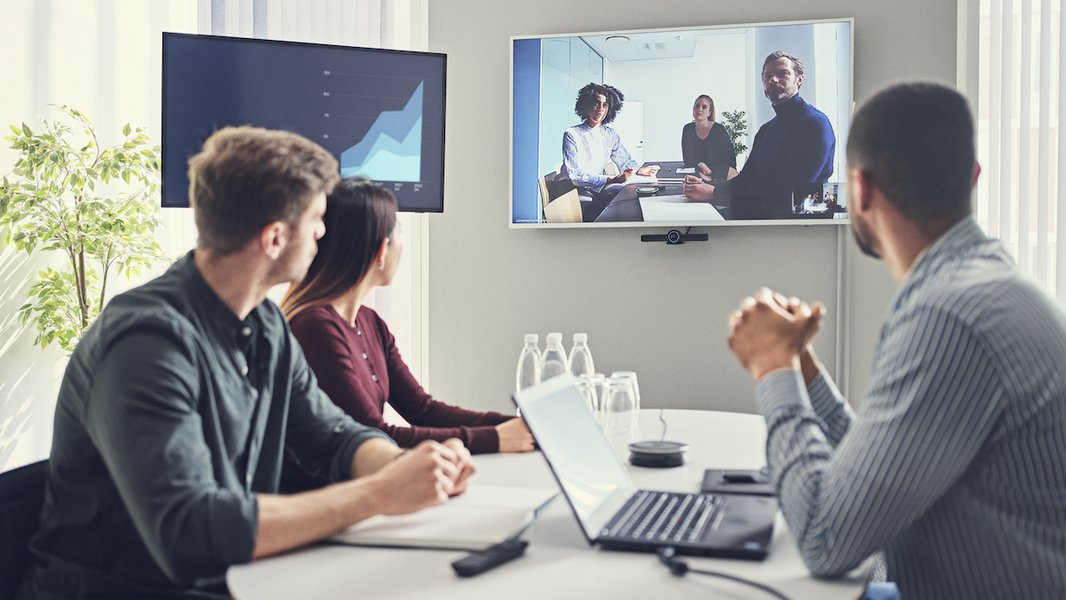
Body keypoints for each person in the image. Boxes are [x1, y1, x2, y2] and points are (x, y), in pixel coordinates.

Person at [18, 127, 475, 600]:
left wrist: (407, 466)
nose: (323, 231)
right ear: (275, 238)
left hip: (232, 579)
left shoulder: (265, 326)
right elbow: (190, 532)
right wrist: (378, 495)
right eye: (318, 217)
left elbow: (330, 435)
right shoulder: (146, 345)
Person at [726, 82, 1066, 599]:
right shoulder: (978, 283)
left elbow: (824, 537)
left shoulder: (949, 318)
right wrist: (803, 368)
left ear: (860, 190)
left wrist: (773, 369)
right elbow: (885, 465)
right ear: (972, 179)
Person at [281, 178, 535, 455]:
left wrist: (525, 427)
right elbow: (374, 436)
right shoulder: (316, 327)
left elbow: (424, 410)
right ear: (381, 250)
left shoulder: (370, 322)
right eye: (399, 231)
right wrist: (495, 439)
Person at [684, 52, 835, 219]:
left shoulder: (814, 124)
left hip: (799, 230)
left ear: (799, 80)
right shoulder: (766, 130)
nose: (773, 79)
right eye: (767, 76)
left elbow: (789, 195)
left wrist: (715, 194)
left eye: (782, 73)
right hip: (761, 217)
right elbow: (745, 181)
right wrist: (707, 186)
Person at [561, 82, 658, 204]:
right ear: (585, 105)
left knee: (626, 195)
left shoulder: (610, 134)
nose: (601, 109)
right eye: (596, 103)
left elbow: (625, 161)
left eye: (605, 105)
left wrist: (640, 170)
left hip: (593, 187)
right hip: (571, 190)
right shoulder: (572, 134)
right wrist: (611, 180)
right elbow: (575, 176)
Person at [680, 94, 736, 180]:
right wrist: (700, 164)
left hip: (718, 177)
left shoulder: (719, 130)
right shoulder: (688, 129)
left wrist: (712, 175)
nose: (700, 109)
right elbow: (687, 158)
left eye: (704, 107)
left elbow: (730, 160)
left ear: (709, 112)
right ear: (693, 109)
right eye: (697, 106)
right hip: (697, 175)